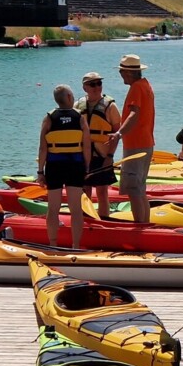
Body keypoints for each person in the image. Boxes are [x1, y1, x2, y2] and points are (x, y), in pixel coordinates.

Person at [37, 85, 90, 248]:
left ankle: (53, 244)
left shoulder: (49, 118)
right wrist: (87, 168)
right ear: (68, 97)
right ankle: (75, 245)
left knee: (53, 208)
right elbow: (87, 145)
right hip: (75, 166)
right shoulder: (80, 117)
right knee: (76, 208)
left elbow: (42, 147)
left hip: (54, 166)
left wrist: (40, 171)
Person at [110, 54, 155, 223]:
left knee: (134, 190)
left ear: (128, 72)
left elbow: (134, 114)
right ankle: (144, 225)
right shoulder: (146, 85)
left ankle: (139, 228)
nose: (120, 74)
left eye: (121, 71)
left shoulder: (136, 87)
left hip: (136, 145)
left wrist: (119, 133)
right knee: (140, 189)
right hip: (145, 142)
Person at [75, 71, 122, 219]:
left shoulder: (110, 106)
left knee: (102, 191)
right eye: (92, 84)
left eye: (99, 83)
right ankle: (86, 219)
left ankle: (104, 220)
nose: (97, 87)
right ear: (85, 88)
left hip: (103, 156)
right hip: (83, 156)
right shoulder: (78, 105)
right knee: (85, 190)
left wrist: (110, 156)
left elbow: (117, 134)